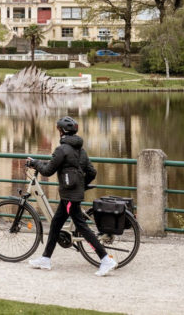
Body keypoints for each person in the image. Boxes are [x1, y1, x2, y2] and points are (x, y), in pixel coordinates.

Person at [25, 116, 117, 277]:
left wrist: (34, 163)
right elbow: (92, 172)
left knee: (82, 227)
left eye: (59, 130)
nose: (58, 132)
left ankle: (105, 259)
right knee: (55, 224)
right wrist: (81, 185)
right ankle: (45, 258)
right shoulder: (81, 151)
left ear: (62, 132)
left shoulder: (62, 150)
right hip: (71, 194)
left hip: (69, 196)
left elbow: (47, 171)